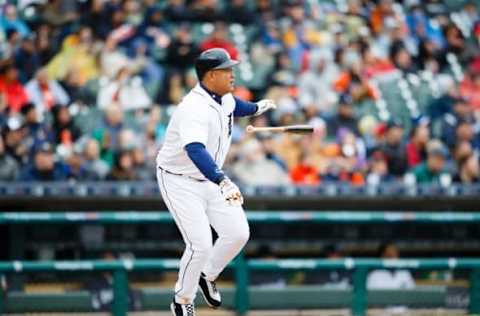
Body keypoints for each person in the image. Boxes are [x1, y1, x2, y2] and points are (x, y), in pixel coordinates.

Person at [156, 48, 276, 316]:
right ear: (211, 76)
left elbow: (238, 107)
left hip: (209, 176)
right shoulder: (193, 107)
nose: (232, 74)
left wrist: (259, 107)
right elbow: (195, 150)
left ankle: (206, 275)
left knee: (238, 233)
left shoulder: (224, 98)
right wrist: (222, 180)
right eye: (226, 70)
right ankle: (182, 299)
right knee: (200, 244)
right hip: (180, 179)